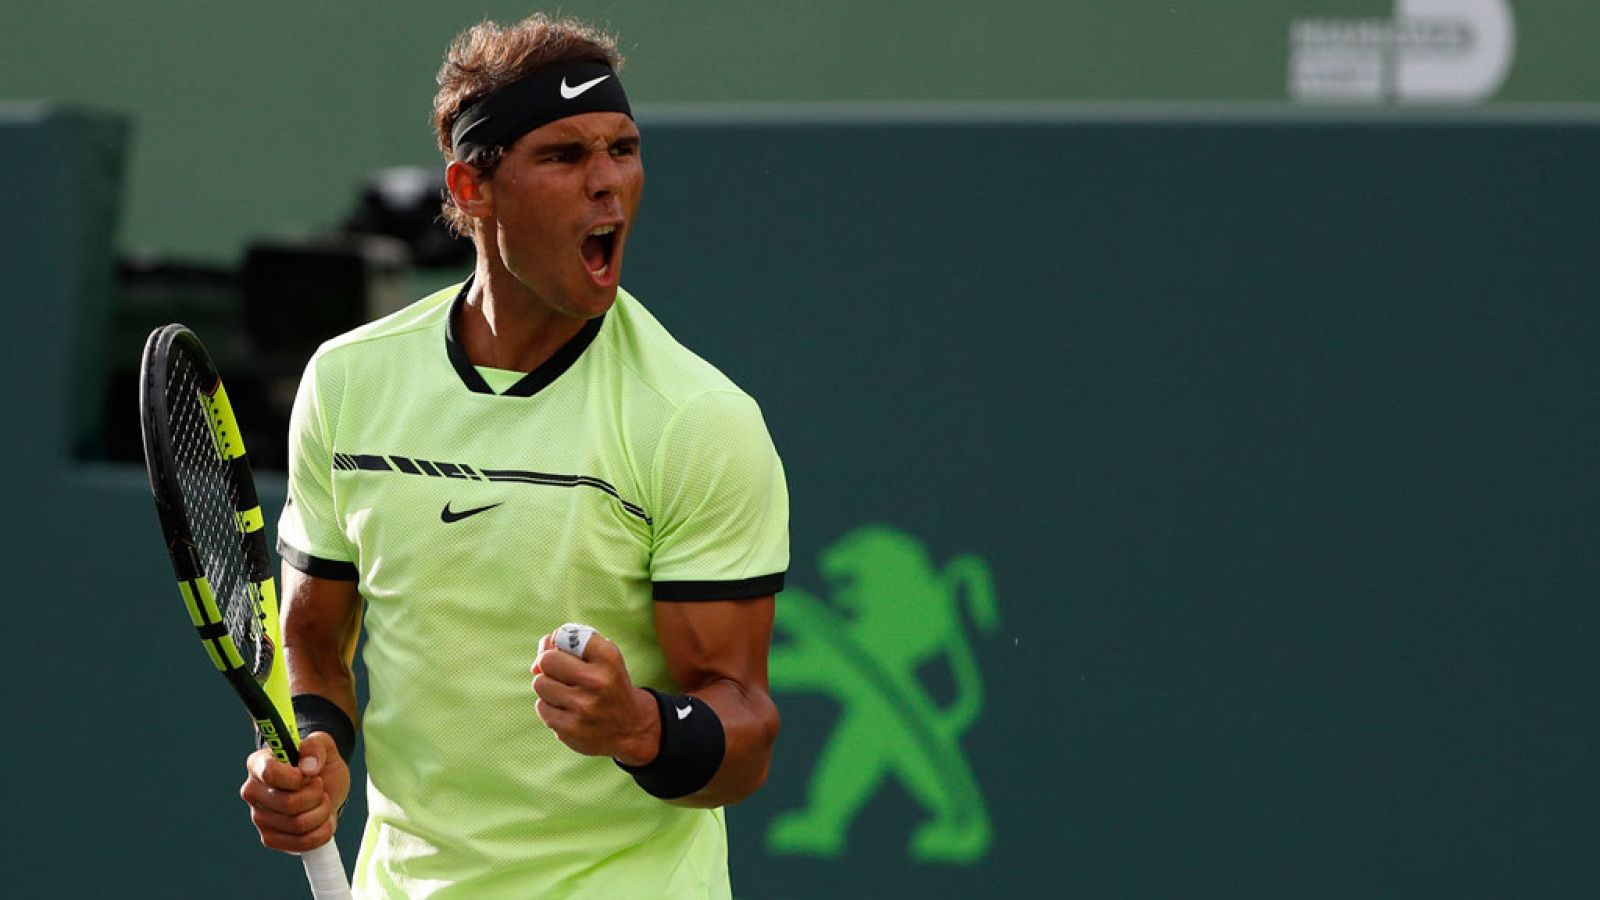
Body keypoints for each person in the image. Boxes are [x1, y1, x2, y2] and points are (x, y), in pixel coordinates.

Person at [237, 14, 788, 898]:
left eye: (623, 148)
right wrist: (315, 750)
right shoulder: (348, 384)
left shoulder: (696, 420)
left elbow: (747, 729)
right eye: (565, 156)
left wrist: (640, 726)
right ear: (474, 186)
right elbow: (314, 641)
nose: (609, 183)